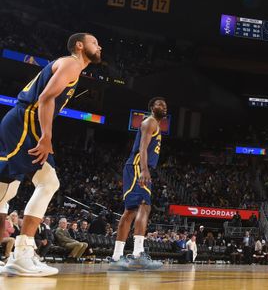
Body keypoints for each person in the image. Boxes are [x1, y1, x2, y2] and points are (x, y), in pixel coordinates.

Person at [0, 32, 101, 276]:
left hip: (28, 123)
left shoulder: (71, 66)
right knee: (7, 189)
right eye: (94, 43)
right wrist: (46, 137)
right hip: (25, 121)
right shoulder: (72, 63)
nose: (100, 47)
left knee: (41, 183)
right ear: (79, 45)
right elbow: (46, 98)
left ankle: (23, 252)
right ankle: (20, 255)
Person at [109, 97, 168, 271]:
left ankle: (117, 257)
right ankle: (137, 255)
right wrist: (143, 169)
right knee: (144, 206)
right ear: (151, 107)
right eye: (159, 104)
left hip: (138, 166)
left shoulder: (154, 125)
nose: (163, 106)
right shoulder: (149, 122)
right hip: (137, 166)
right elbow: (142, 148)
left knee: (131, 211)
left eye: (165, 105)